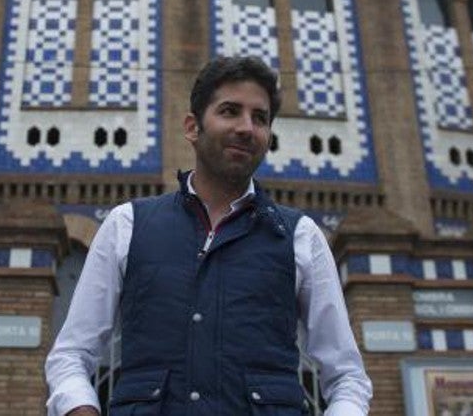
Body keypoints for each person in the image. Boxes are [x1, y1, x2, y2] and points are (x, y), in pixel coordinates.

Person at [45, 55, 372, 414]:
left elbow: (347, 377)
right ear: (192, 127)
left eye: (260, 118)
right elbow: (72, 355)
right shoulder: (128, 225)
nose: (247, 128)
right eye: (230, 111)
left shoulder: (300, 236)